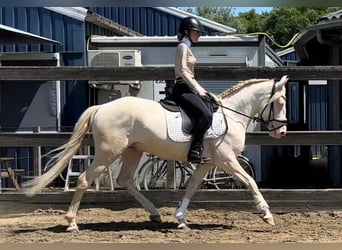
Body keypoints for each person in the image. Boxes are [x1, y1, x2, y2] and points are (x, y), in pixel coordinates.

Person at [172, 16, 213, 164]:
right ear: (186, 32)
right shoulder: (183, 47)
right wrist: (197, 89)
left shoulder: (187, 47)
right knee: (206, 114)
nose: (199, 35)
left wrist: (202, 89)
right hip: (182, 88)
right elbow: (183, 71)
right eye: (196, 32)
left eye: (199, 33)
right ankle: (194, 151)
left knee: (210, 106)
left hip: (188, 87)